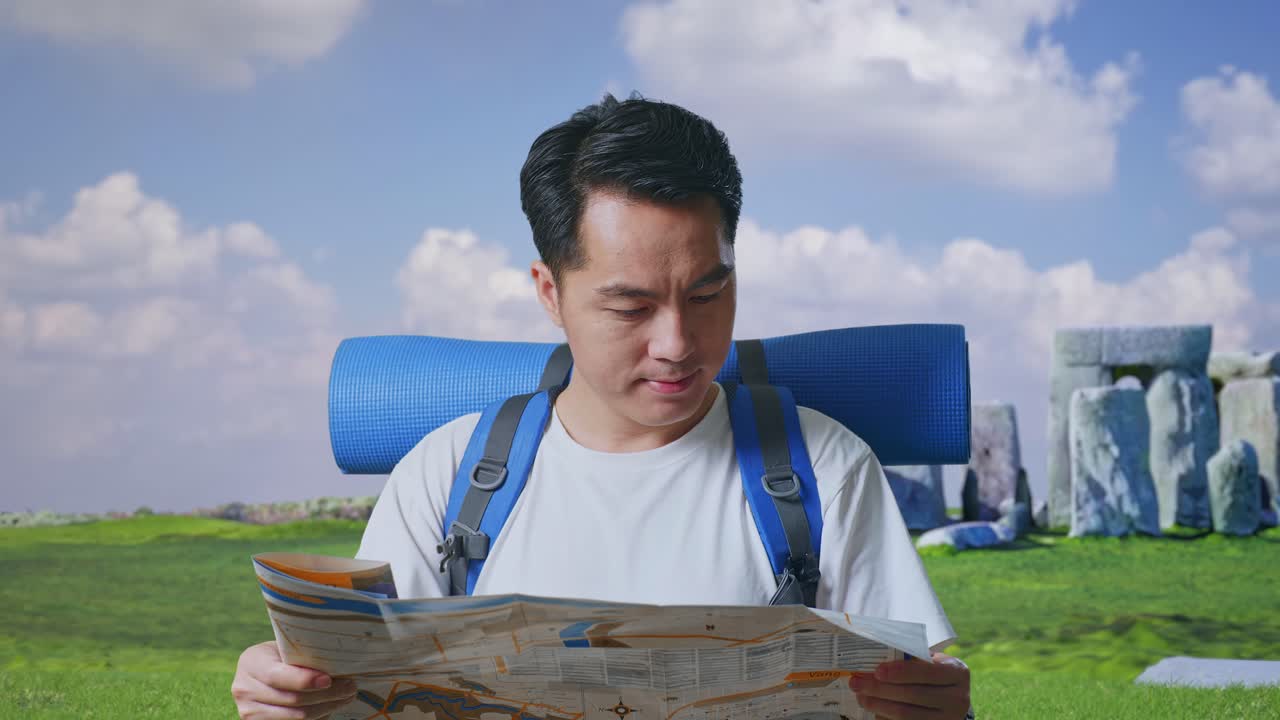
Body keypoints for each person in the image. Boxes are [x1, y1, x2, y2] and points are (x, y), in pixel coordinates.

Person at [232, 92, 972, 720]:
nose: (677, 343)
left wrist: (940, 708)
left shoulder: (825, 470)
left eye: (709, 294)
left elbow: (915, 682)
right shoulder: (449, 477)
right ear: (550, 294)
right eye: (631, 306)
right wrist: (291, 695)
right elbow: (364, 694)